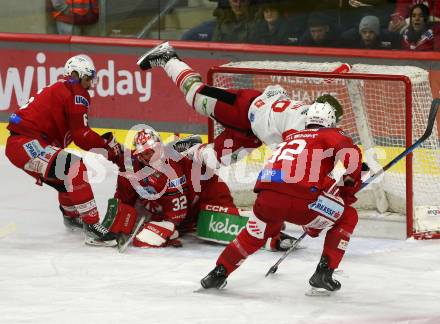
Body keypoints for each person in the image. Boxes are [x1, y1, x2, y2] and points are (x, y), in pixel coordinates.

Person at [200, 100, 364, 295]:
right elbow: (351, 159)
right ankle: (324, 272)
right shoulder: (332, 134)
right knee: (347, 215)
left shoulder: (291, 137)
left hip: (267, 198)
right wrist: (348, 192)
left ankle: (219, 272)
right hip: (302, 202)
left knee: (254, 235)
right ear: (330, 121)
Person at [136, 41, 343, 170]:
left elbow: (329, 147)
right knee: (195, 96)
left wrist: (356, 167)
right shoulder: (301, 128)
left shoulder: (311, 118)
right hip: (241, 106)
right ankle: (167, 57)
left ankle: (191, 148)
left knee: (216, 161)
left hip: (252, 134)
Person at [5, 55, 122, 247]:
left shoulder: (64, 88)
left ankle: (71, 215)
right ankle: (92, 228)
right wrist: (107, 146)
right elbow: (81, 136)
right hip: (27, 144)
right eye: (88, 76)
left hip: (21, 145)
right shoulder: (77, 92)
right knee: (73, 167)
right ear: (76, 75)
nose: (91, 81)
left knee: (64, 174)